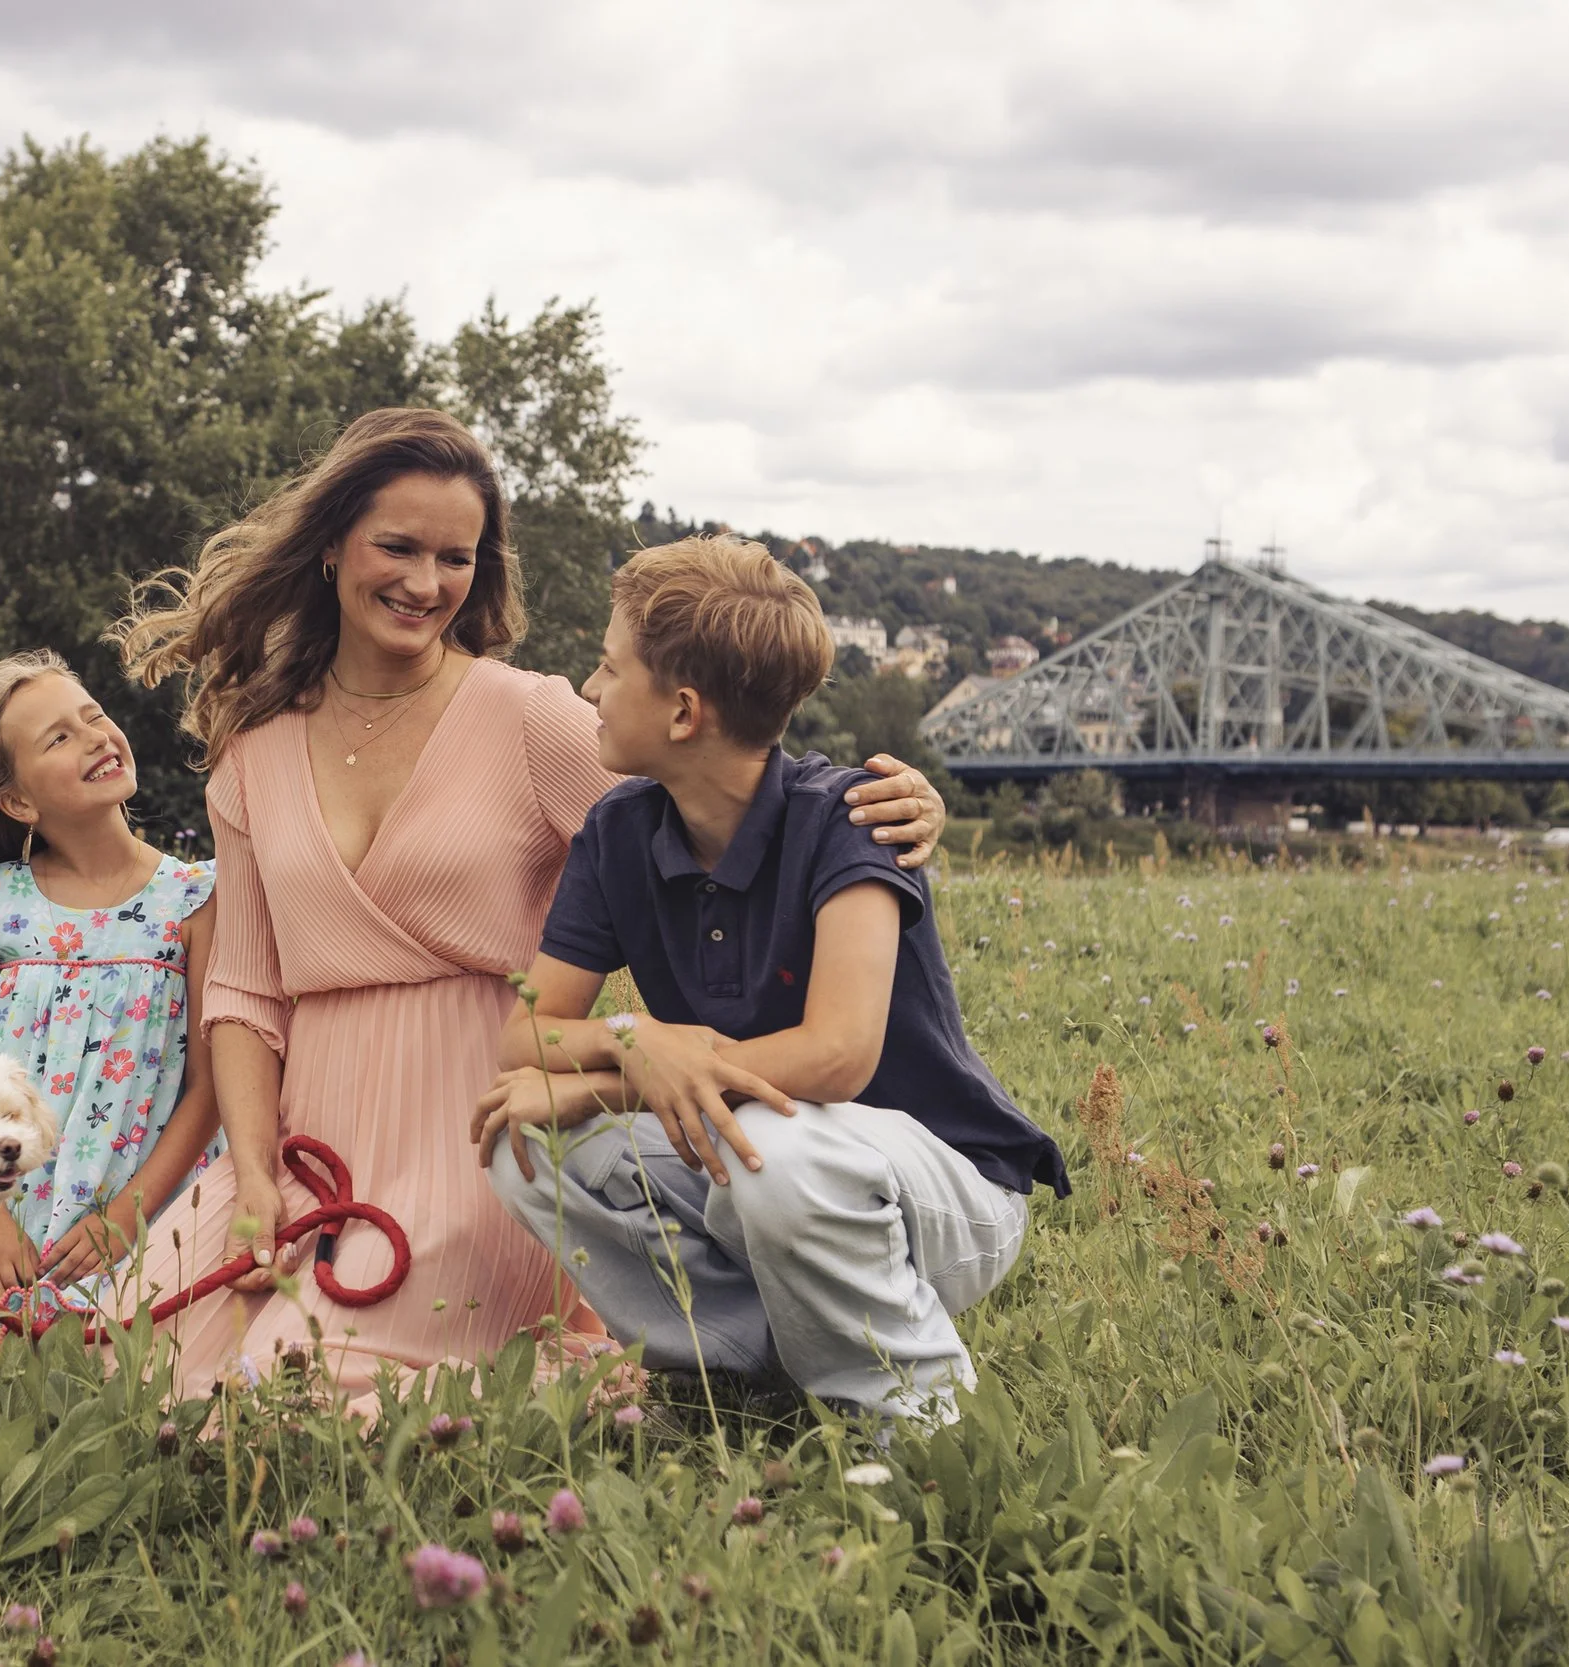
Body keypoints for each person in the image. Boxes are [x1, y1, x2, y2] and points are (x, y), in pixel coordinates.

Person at [112, 408, 951, 1399]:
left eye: (454, 557)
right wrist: (253, 1180)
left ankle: (646, 1358)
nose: (426, 583)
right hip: (311, 1139)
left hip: (478, 1123)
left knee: (298, 1393)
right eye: (399, 546)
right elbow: (246, 993)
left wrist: (871, 814)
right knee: (136, 1360)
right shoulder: (253, 752)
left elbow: (727, 808)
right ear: (333, 544)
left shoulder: (530, 716)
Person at [474, 536, 1068, 1422]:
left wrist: (611, 1082)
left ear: (682, 712)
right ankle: (748, 1372)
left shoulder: (850, 819)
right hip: (764, 1182)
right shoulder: (618, 832)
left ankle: (920, 1416)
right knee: (525, 1141)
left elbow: (836, 1058)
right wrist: (633, 1043)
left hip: (940, 1190)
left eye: (608, 668)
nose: (590, 691)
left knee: (773, 1152)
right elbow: (527, 1035)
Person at [0, 651, 221, 1325]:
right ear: (19, 800)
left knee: (142, 1359)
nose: (96, 737)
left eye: (94, 716)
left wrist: (126, 1218)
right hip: (11, 1208)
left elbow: (210, 1087)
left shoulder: (194, 898)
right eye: (59, 737)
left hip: (151, 1203)